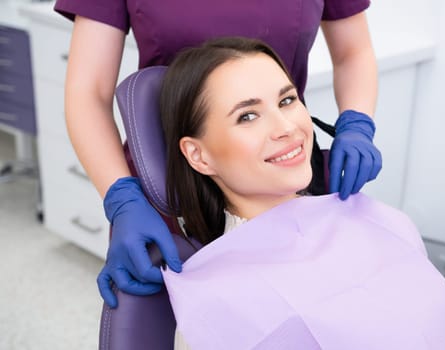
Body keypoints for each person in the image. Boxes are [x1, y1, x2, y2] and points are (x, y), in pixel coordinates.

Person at [158, 37, 445, 350]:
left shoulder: (383, 223)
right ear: (199, 155)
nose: (288, 128)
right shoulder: (215, 300)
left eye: (287, 100)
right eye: (248, 116)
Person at [54, 0, 382, 308]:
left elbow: (353, 53)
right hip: (170, 192)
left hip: (282, 179)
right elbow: (89, 92)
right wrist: (122, 198)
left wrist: (356, 123)